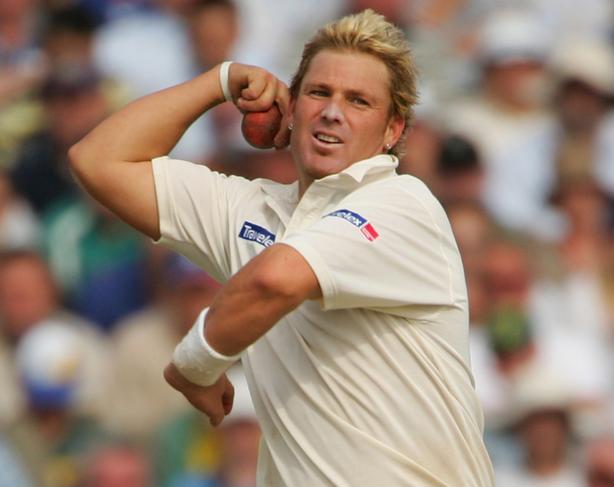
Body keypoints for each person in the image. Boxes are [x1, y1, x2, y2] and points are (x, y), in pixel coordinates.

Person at [69, 9, 494, 486]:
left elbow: (277, 280)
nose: (333, 111)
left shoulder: (402, 204)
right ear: (291, 109)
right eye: (319, 92)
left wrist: (195, 366)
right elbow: (98, 161)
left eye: (358, 101)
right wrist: (220, 81)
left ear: (393, 131)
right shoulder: (251, 210)